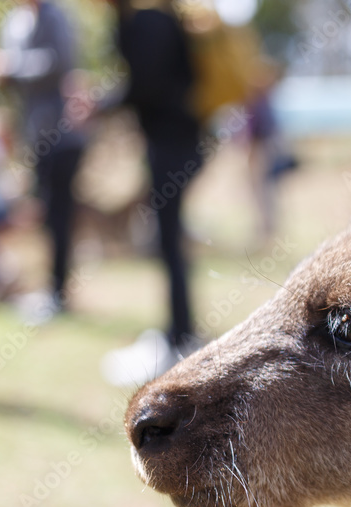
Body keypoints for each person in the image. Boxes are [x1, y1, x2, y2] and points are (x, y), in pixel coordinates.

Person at [101, 0, 204, 386]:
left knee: (168, 239)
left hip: (172, 144)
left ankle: (181, 333)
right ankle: (180, 328)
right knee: (168, 238)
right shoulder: (157, 18)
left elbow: (147, 85)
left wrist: (103, 102)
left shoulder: (146, 21)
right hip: (179, 141)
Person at [0, 0, 85, 321]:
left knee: (59, 213)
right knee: (45, 210)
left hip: (62, 135)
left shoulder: (56, 16)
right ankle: (52, 289)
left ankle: (58, 291)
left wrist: (8, 66)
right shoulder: (14, 21)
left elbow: (58, 62)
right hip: (35, 133)